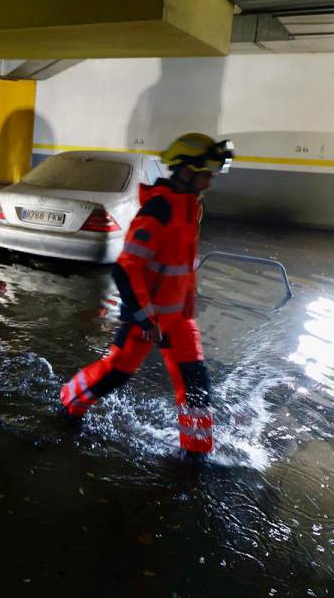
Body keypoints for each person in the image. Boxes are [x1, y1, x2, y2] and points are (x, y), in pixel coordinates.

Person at [59, 132, 234, 457]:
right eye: (205, 173)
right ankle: (69, 402)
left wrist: (188, 305)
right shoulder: (159, 212)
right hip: (147, 317)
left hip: (179, 319)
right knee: (115, 374)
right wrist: (142, 317)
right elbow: (126, 268)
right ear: (185, 170)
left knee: (196, 385)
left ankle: (197, 454)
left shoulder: (189, 207)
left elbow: (178, 265)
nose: (209, 181)